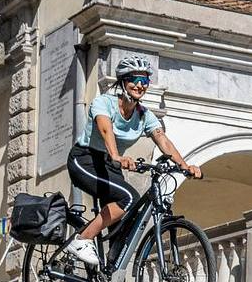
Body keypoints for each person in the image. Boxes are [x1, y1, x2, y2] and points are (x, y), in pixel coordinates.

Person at [62, 56, 202, 267]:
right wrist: (117, 156)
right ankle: (81, 240)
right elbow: (105, 128)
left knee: (127, 220)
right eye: (134, 79)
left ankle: (110, 276)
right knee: (128, 198)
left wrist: (185, 166)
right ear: (123, 81)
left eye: (144, 81)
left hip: (110, 165)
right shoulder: (104, 102)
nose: (139, 85)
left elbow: (162, 139)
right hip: (86, 159)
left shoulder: (144, 115)